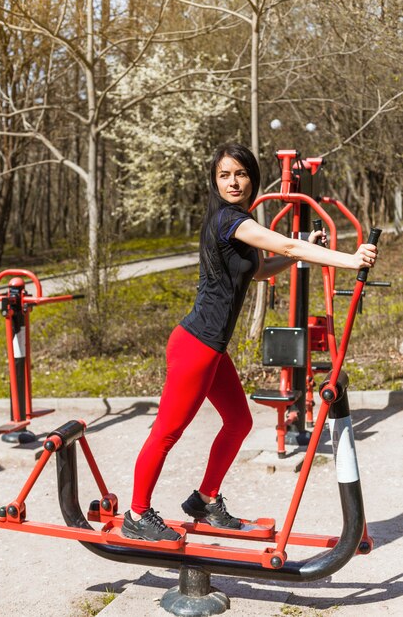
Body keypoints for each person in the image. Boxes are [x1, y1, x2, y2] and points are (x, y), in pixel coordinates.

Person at [121, 143, 378, 542]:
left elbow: (262, 269)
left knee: (239, 422)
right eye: (224, 175)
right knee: (167, 432)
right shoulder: (227, 220)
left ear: (252, 179)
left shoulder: (238, 223)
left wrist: (302, 251)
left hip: (211, 348)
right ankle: (137, 514)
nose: (233, 181)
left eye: (240, 173)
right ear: (215, 181)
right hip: (195, 347)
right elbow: (288, 244)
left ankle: (205, 501)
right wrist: (351, 259)